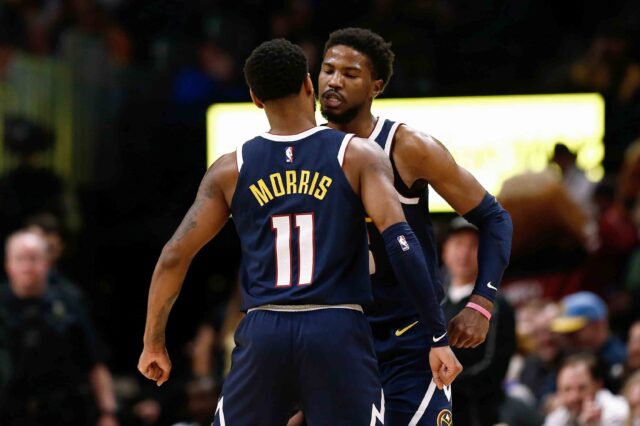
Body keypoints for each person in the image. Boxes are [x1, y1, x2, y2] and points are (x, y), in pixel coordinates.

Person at [137, 39, 461, 425]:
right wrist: (437, 336)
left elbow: (174, 254)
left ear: (255, 98)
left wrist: (153, 342)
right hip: (337, 327)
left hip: (263, 329)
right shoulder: (357, 154)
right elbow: (400, 241)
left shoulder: (230, 169)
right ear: (309, 85)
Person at [318, 27, 512, 424]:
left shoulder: (408, 147)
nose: (334, 81)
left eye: (349, 74)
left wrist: (481, 301)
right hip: (336, 336)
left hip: (409, 337)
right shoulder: (305, 151)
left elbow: (494, 218)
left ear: (376, 86)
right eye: (327, 69)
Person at [0, 230, 118, 425]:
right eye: (20, 259)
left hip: (66, 411)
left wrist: (108, 413)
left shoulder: (69, 300)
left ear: (47, 263)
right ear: (8, 264)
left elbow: (94, 360)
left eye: (34, 259)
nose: (27, 267)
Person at [440, 217, 518, 426]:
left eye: (473, 246)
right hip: (435, 409)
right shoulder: (433, 299)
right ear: (445, 249)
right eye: (458, 244)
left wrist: (442, 382)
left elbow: (493, 367)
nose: (464, 253)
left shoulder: (497, 304)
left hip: (477, 414)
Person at [551, 291, 627, 388]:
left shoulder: (619, 360)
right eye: (566, 333)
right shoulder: (565, 357)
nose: (569, 339)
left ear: (598, 325)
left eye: (575, 332)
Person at [544, 353, 629, 426]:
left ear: (598, 385)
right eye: (567, 389)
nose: (574, 397)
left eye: (582, 388)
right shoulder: (561, 414)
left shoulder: (618, 411)